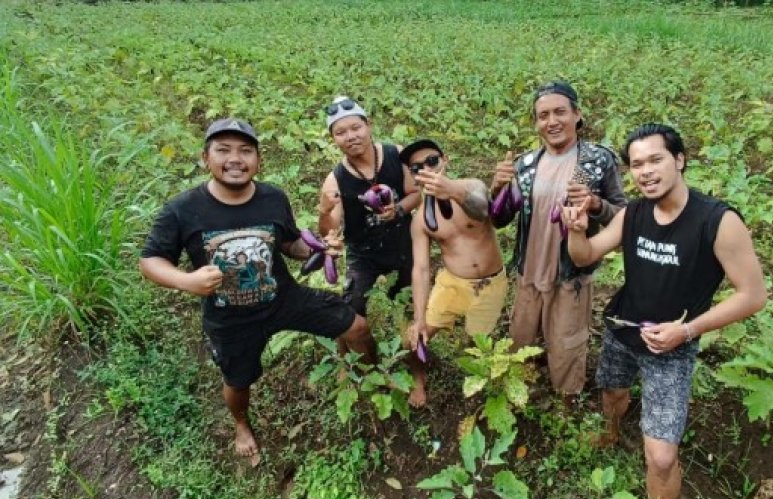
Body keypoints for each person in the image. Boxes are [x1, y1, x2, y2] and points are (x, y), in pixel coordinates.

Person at [563, 123, 767, 499]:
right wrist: (576, 229)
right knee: (613, 393)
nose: (645, 171)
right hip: (622, 328)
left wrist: (687, 330)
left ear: (679, 159)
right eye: (636, 164)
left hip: (671, 348)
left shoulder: (718, 221)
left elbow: (753, 295)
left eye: (655, 160)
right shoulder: (633, 213)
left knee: (659, 457)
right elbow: (584, 255)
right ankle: (613, 431)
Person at [140, 118, 374, 460]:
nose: (235, 159)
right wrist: (186, 281)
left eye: (245, 151)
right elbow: (150, 262)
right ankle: (241, 423)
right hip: (229, 318)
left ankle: (369, 381)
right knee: (238, 381)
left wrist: (317, 248)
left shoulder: (272, 197)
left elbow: (290, 244)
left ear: (258, 160)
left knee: (358, 326)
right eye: (223, 150)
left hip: (284, 298)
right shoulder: (182, 210)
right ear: (205, 158)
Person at [490, 80, 626, 403]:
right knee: (521, 339)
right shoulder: (524, 165)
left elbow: (622, 214)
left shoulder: (596, 161)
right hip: (529, 270)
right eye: (543, 115)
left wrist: (595, 204)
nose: (552, 122)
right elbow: (499, 220)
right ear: (536, 122)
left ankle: (566, 401)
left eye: (560, 112)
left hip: (571, 272)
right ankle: (522, 391)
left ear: (577, 115)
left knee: (567, 342)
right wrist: (496, 189)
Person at [399, 139, 506, 408]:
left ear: (445, 160)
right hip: (452, 283)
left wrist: (451, 191)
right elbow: (421, 268)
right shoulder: (422, 218)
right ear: (412, 176)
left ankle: (481, 388)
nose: (427, 169)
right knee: (417, 336)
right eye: (417, 167)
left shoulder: (472, 186)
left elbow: (485, 210)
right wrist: (419, 316)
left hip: (490, 283)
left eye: (432, 161)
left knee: (479, 343)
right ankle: (418, 380)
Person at [317, 97, 420, 346]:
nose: (350, 136)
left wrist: (399, 210)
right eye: (340, 132)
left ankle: (414, 349)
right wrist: (324, 211)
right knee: (352, 308)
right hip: (363, 253)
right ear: (333, 139)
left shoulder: (396, 153)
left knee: (410, 303)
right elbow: (330, 230)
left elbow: (416, 193)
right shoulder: (336, 179)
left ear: (369, 125)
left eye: (356, 127)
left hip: (403, 244)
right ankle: (352, 357)